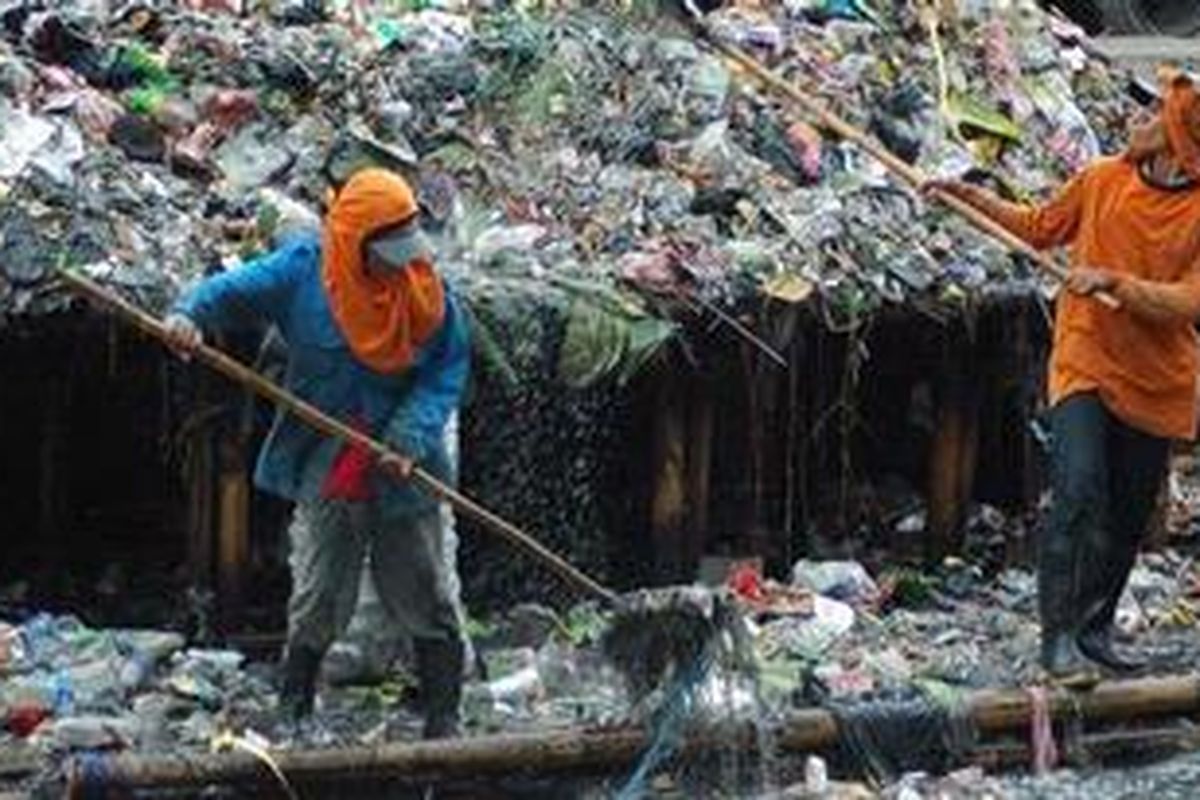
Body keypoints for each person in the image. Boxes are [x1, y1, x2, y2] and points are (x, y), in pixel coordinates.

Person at [164, 168, 470, 737]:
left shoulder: (424, 290)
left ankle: (443, 715)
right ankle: (295, 708)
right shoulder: (304, 271)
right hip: (329, 449)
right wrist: (189, 315)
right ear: (353, 242)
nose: (402, 264)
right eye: (388, 252)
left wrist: (409, 436)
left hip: (406, 458)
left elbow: (446, 369)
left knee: (423, 583)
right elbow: (230, 293)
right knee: (322, 585)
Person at [927, 67, 1200, 683]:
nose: (1140, 119)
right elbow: (1039, 227)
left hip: (1158, 380)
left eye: (1156, 114)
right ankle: (1057, 641)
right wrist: (969, 197)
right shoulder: (1103, 179)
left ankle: (1094, 630)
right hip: (1085, 360)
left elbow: (1190, 302)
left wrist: (1115, 283)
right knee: (1077, 491)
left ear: (1181, 139)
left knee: (1127, 514)